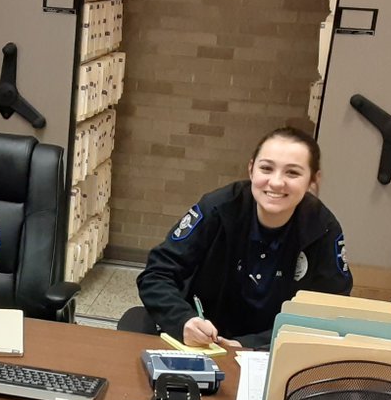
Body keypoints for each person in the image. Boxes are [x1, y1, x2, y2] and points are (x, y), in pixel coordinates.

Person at [129, 126, 352, 350]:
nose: (276, 182)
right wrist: (183, 320)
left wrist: (250, 345)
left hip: (273, 349)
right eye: (266, 168)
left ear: (313, 180)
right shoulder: (217, 209)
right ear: (251, 169)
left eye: (292, 173)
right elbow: (156, 274)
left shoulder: (323, 229)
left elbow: (330, 313)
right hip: (204, 342)